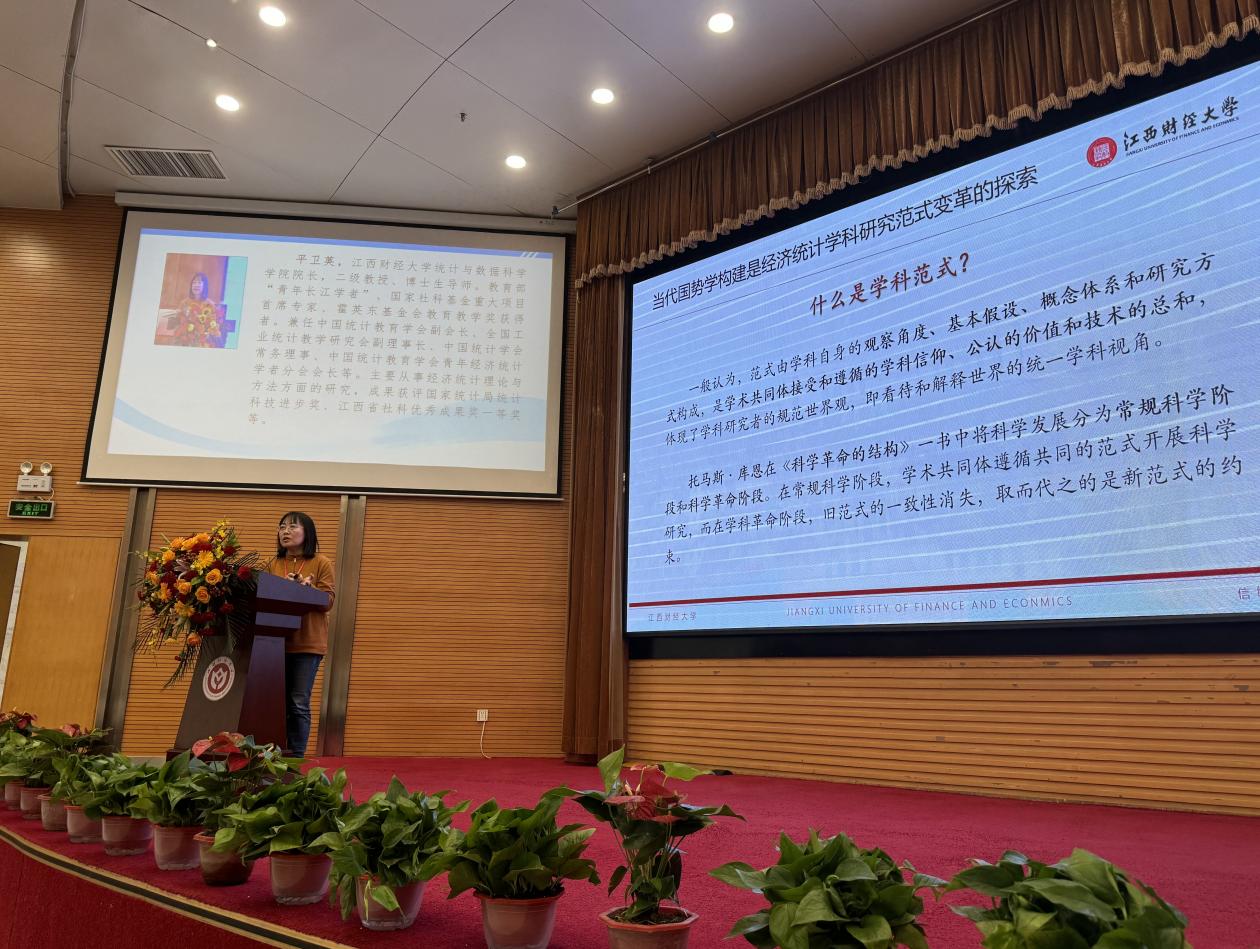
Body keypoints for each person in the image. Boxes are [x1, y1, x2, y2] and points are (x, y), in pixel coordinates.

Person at [265, 512, 335, 757]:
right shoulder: (272, 564)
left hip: (307, 643)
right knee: (274, 704)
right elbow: (263, 598)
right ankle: (273, 756)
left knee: (298, 702)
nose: (285, 531)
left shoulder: (321, 562)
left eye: (292, 527)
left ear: (307, 532)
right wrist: (282, 587)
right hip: (273, 643)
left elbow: (327, 602)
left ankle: (296, 759)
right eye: (281, 527)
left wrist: (308, 589)